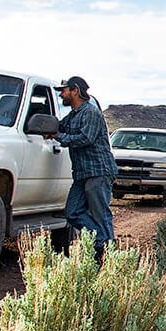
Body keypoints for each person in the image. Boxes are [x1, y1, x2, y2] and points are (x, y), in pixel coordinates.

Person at [40, 75, 117, 261]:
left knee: (100, 213)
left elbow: (85, 139)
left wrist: (58, 136)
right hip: (82, 173)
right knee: (73, 212)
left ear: (75, 90)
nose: (61, 95)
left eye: (64, 91)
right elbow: (61, 126)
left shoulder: (90, 112)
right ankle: (100, 241)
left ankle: (106, 253)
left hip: (98, 171)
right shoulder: (73, 115)